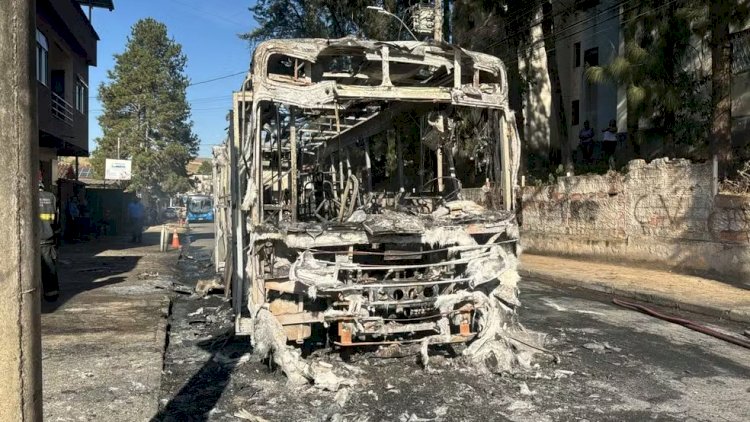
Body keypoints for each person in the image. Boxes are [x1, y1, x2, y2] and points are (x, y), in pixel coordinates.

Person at [39, 183, 60, 302]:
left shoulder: (25, 194)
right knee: (49, 268)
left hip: (28, 241)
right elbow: (56, 220)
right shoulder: (51, 197)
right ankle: (51, 295)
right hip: (47, 239)